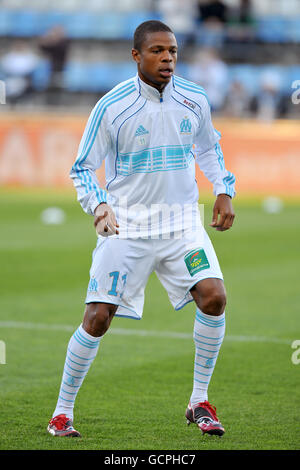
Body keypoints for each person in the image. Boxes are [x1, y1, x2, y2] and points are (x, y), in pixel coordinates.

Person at [47, 20, 235, 438]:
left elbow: (208, 147)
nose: (167, 57)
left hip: (181, 224)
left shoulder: (195, 98)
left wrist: (223, 189)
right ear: (136, 56)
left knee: (214, 296)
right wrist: (98, 206)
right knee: (97, 318)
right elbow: (82, 168)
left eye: (172, 51)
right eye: (157, 51)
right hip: (126, 226)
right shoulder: (112, 106)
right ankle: (62, 412)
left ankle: (199, 401)